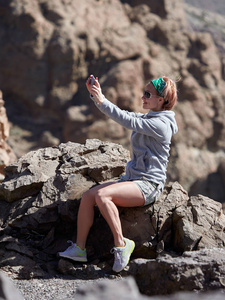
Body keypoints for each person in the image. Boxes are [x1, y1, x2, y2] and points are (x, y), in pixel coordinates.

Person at [58, 75, 178, 272]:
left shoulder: (161, 125)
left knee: (103, 195)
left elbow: (126, 120)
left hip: (148, 185)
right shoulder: (149, 118)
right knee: (89, 196)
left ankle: (122, 245)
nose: (143, 97)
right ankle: (79, 249)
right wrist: (97, 97)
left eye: (148, 94)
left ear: (161, 100)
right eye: (144, 92)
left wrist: (101, 99)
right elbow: (125, 114)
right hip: (132, 180)